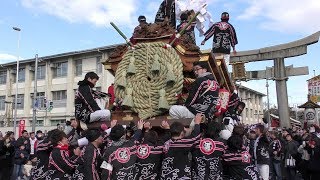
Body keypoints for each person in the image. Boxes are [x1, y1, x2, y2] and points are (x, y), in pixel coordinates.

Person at [160, 113, 202, 179]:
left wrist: (167, 129)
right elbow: (195, 137)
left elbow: (168, 136)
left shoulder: (165, 143)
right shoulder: (183, 143)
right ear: (182, 133)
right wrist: (197, 123)